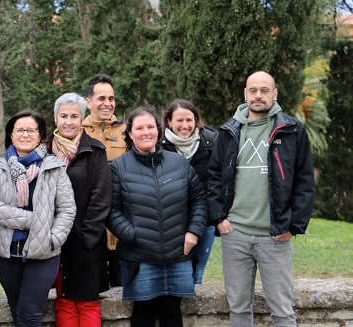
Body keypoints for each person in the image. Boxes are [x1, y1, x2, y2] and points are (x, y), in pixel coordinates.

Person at [207, 71, 315, 327]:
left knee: (282, 310)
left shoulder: (291, 130)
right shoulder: (228, 130)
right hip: (236, 235)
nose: (258, 95)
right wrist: (219, 219)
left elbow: (305, 181)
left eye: (264, 90)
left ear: (274, 94)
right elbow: (214, 177)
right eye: (253, 90)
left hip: (275, 236)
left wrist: (293, 226)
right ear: (245, 94)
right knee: (238, 309)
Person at [107, 105, 206, 327]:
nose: (146, 132)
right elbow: (111, 210)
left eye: (150, 127)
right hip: (139, 257)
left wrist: (193, 231)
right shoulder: (119, 167)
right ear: (130, 133)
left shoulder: (179, 163)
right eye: (139, 128)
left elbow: (198, 200)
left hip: (178, 254)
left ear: (158, 131)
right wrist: (132, 235)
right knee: (143, 313)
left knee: (172, 313)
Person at [0, 110, 75, 327]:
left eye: (31, 130)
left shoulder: (54, 167)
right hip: (6, 254)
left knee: (30, 313)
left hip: (44, 253)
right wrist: (34, 220)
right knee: (17, 310)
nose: (25, 135)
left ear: (40, 135)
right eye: (19, 130)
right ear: (11, 135)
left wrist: (53, 239)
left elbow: (67, 209)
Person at [46, 93, 112, 327]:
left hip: (85, 241)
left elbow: (101, 198)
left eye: (74, 116)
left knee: (87, 302)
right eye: (64, 116)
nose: (69, 122)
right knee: (64, 301)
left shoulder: (95, 151)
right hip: (52, 240)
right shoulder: (43, 150)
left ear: (82, 118)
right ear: (55, 118)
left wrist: (87, 237)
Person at [160, 99, 217, 284]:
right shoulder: (158, 145)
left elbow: (218, 181)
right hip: (171, 224)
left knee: (196, 274)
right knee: (176, 276)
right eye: (179, 120)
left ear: (196, 121)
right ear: (169, 121)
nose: (185, 126)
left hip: (205, 221)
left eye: (189, 120)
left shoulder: (211, 142)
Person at [82, 73, 126, 286]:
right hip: (90, 224)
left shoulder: (127, 131)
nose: (107, 103)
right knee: (94, 289)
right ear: (88, 102)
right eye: (101, 98)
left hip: (121, 225)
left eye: (111, 98)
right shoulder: (78, 132)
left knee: (122, 289)